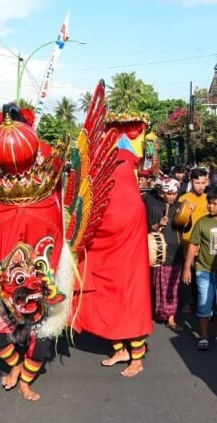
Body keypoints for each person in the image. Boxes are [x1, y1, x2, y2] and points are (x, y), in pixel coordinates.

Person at [74, 145, 153, 378]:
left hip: (127, 267)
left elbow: (107, 225)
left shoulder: (128, 202)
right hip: (106, 261)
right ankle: (120, 350)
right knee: (105, 302)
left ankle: (137, 358)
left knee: (129, 307)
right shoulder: (124, 196)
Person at [183, 185, 217, 350]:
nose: (210, 206)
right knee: (204, 305)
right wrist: (187, 267)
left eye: (215, 203)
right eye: (209, 203)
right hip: (204, 271)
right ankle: (204, 337)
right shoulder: (202, 222)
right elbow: (193, 245)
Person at [147, 177, 184, 331]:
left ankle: (171, 318)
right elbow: (148, 228)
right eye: (169, 193)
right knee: (158, 284)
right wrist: (158, 224)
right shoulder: (153, 205)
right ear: (161, 192)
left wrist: (185, 217)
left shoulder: (180, 207)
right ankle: (159, 312)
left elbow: (184, 228)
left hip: (176, 251)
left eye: (174, 193)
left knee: (173, 286)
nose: (172, 196)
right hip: (160, 250)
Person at [178, 168, 210, 312]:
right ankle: (187, 302)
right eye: (197, 183)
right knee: (187, 275)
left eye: (203, 182)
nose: (200, 186)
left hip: (204, 246)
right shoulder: (183, 199)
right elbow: (178, 225)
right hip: (187, 244)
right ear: (191, 181)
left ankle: (201, 302)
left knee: (202, 276)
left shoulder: (209, 199)